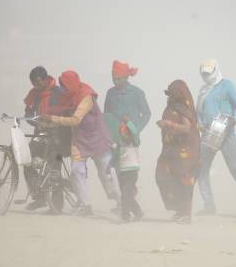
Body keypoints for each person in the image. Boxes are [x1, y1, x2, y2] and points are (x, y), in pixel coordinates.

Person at [39, 70, 121, 216]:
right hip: (79, 140)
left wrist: (52, 119)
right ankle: (85, 205)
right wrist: (46, 116)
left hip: (97, 138)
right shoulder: (69, 96)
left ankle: (121, 201)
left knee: (106, 173)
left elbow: (76, 119)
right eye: (62, 85)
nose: (63, 88)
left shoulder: (86, 96)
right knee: (77, 172)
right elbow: (62, 109)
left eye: (65, 85)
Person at [196, 58, 236, 215]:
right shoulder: (203, 90)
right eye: (203, 74)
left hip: (226, 133)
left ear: (215, 70)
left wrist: (234, 119)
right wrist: (200, 123)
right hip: (209, 133)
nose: (206, 76)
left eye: (208, 73)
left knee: (235, 168)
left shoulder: (226, 85)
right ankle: (209, 205)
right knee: (201, 169)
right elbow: (199, 112)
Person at [104, 60, 150, 220]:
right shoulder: (110, 93)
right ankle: (135, 210)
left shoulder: (137, 93)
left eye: (119, 78)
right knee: (120, 176)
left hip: (131, 141)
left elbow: (147, 114)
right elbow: (107, 115)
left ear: (126, 77)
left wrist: (134, 129)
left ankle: (125, 212)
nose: (116, 82)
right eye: (113, 78)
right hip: (115, 141)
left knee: (128, 176)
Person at [22, 66, 71, 211]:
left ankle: (57, 206)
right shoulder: (34, 95)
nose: (35, 86)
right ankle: (39, 197)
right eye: (33, 83)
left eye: (37, 82)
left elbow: (67, 114)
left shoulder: (59, 93)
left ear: (45, 79)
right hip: (41, 135)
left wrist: (51, 122)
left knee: (54, 169)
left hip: (58, 137)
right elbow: (29, 114)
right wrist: (37, 122)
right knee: (26, 160)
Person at [155, 80, 201, 224]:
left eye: (172, 94)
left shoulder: (183, 108)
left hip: (186, 152)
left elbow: (186, 128)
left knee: (184, 180)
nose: (169, 97)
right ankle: (179, 210)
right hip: (171, 149)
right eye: (168, 94)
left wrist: (168, 124)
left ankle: (186, 214)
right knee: (162, 175)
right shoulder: (171, 106)